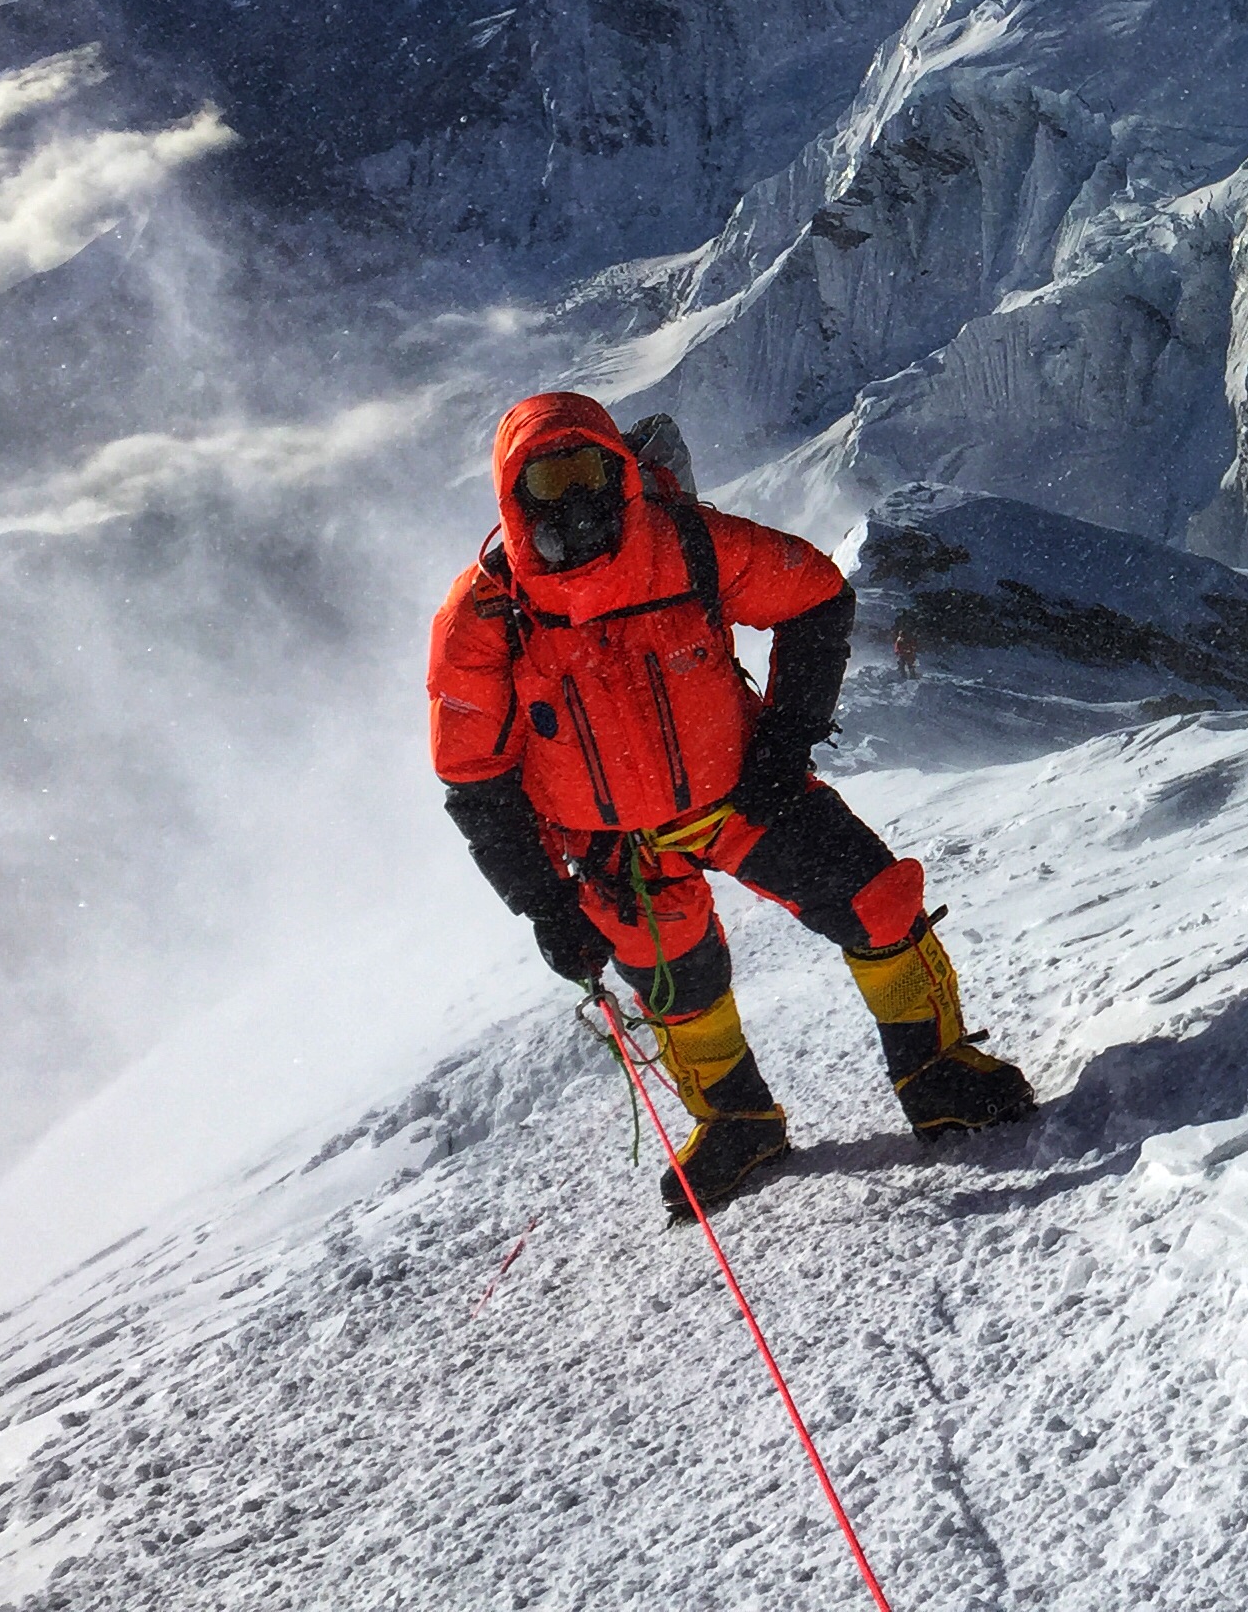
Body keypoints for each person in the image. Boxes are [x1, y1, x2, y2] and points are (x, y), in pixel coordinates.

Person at [426, 393, 1032, 1217]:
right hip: (616, 854)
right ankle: (739, 1126)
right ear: (512, 497)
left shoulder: (686, 545)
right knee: (681, 992)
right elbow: (475, 780)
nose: (573, 500)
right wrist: (544, 906)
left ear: (622, 473)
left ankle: (937, 1071)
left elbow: (816, 597)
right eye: (548, 480)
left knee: (875, 901)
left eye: (588, 471)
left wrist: (783, 745)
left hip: (740, 793)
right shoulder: (486, 617)